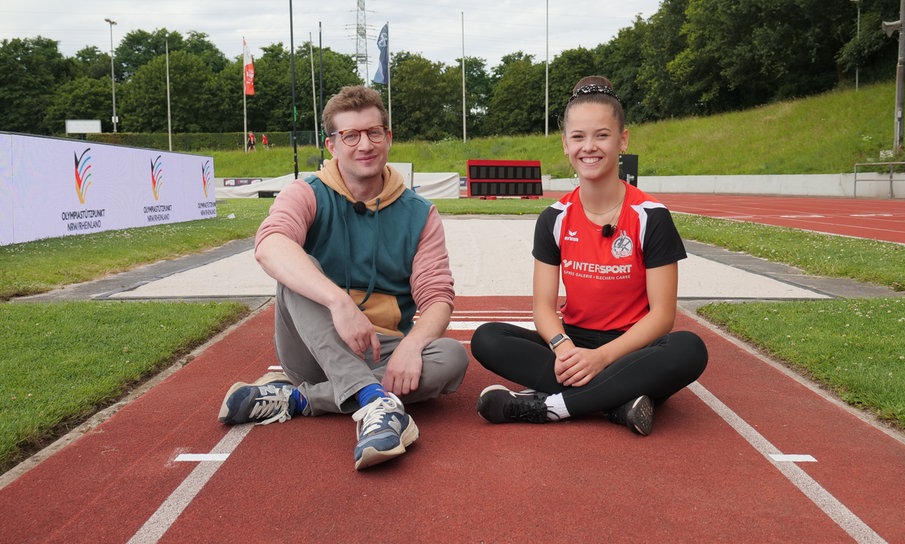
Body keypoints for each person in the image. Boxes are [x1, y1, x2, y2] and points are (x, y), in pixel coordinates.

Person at [219, 85, 469, 470]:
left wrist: (412, 344)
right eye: (350, 135)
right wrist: (338, 302)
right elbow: (270, 245)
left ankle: (300, 400)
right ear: (332, 145)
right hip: (314, 348)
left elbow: (437, 296)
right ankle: (376, 401)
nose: (364, 144)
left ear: (388, 137)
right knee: (296, 269)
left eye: (373, 133)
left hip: (381, 349)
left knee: (450, 356)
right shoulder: (307, 193)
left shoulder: (420, 213)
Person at [471, 76, 708, 435]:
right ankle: (618, 403)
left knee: (689, 349)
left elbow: (662, 317)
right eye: (578, 137)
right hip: (573, 342)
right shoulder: (554, 218)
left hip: (631, 347)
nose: (589, 147)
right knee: (487, 338)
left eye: (602, 135)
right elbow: (542, 308)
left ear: (622, 140)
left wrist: (601, 359)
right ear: (565, 144)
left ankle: (551, 406)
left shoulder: (651, 216)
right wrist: (563, 347)